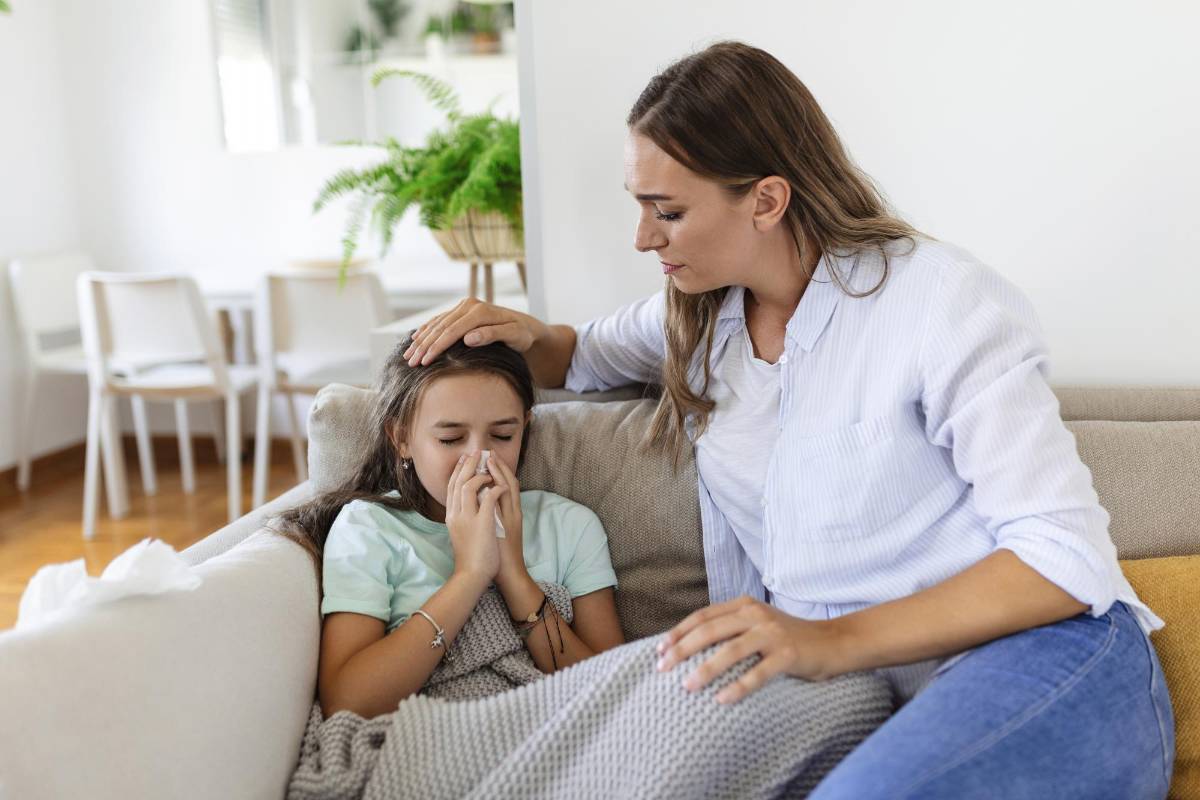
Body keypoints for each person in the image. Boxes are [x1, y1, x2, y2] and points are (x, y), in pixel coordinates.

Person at [400, 40, 1174, 798]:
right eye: (639, 206)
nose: (642, 237)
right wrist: (509, 331)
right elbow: (577, 356)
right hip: (847, 688)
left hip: (1031, 656)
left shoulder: (942, 303)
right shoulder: (699, 318)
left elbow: (1062, 557)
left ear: (767, 200)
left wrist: (824, 641)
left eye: (666, 210)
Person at [276, 337, 625, 720]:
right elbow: (348, 702)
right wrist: (471, 574)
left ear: (525, 427)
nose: (479, 460)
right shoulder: (368, 529)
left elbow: (617, 689)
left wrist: (513, 574)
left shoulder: (571, 526)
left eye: (503, 435)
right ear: (402, 438)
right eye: (451, 439)